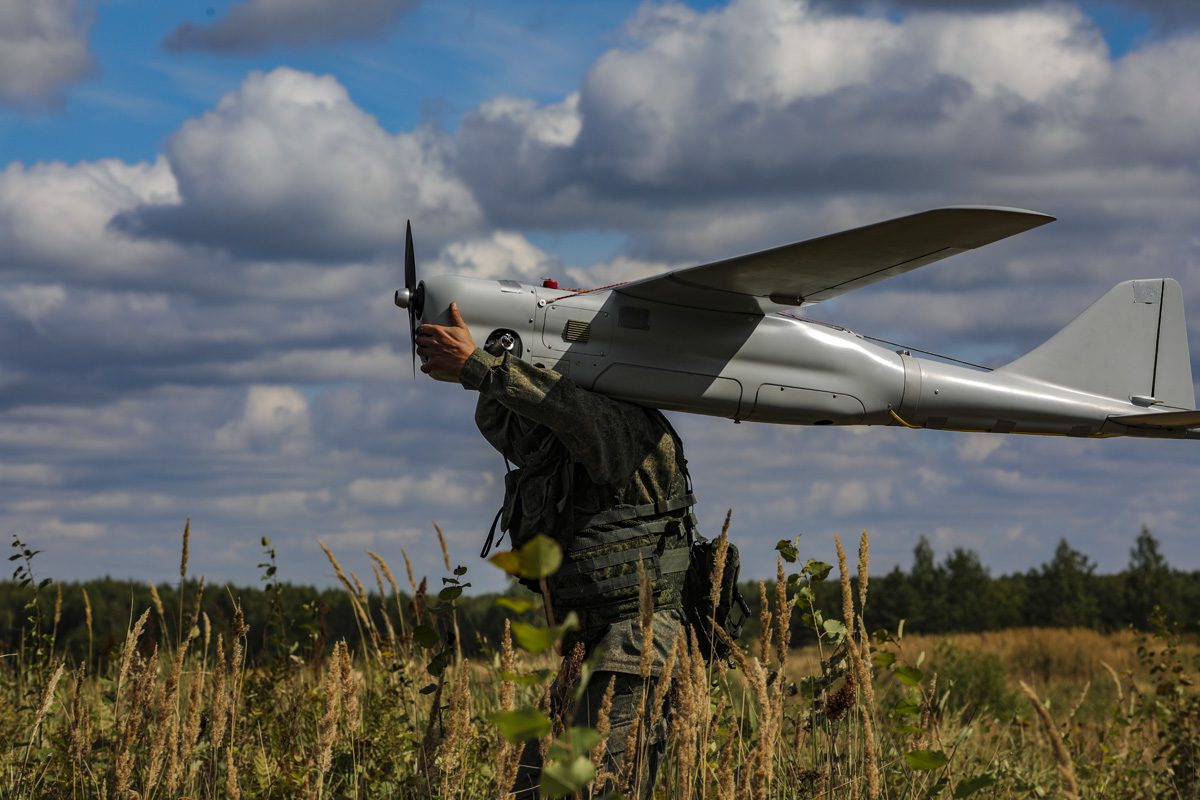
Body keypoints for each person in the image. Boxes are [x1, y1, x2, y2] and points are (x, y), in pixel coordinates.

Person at [416, 303, 696, 799]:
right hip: (588, 650)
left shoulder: (628, 430)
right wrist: (477, 364)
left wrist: (482, 366)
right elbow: (513, 425)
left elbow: (571, 412)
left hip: (634, 650)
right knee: (533, 788)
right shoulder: (569, 444)